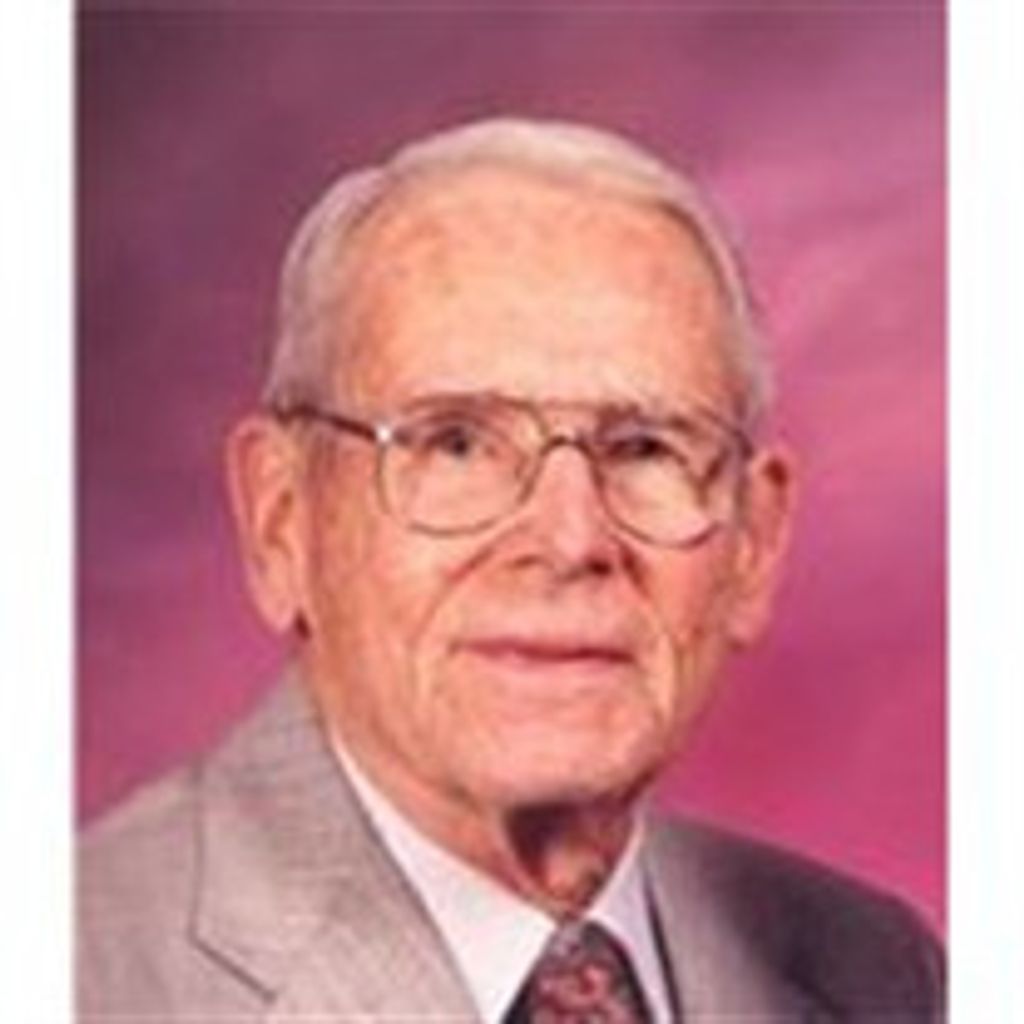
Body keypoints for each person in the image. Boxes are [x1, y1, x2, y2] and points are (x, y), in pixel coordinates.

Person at [78, 117, 943, 1022]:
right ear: (282, 520)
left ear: (755, 543)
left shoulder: (884, 972)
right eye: (457, 442)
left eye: (645, 447)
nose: (570, 540)